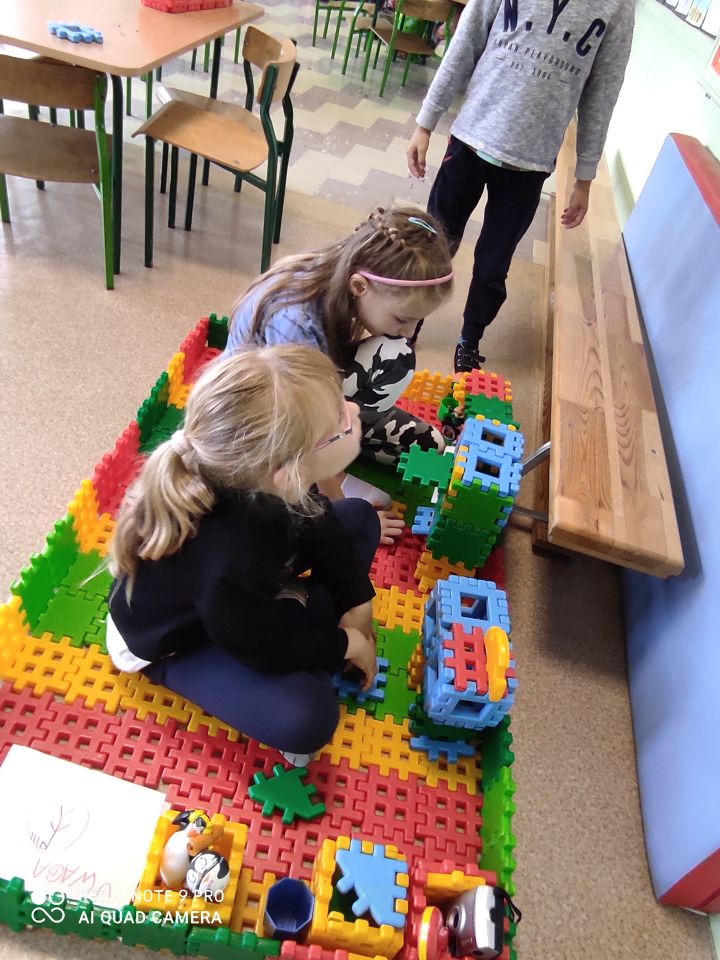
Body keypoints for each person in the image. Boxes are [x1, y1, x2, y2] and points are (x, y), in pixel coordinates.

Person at [107, 346, 380, 767]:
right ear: (286, 473)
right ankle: (299, 630)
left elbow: (318, 518)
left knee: (358, 519)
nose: (353, 412)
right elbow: (260, 644)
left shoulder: (264, 475)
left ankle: (300, 624)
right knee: (307, 719)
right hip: (178, 642)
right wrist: (347, 643)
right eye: (339, 422)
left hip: (239, 604)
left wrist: (358, 602)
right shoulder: (226, 557)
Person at [406, 0, 635, 373]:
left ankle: (470, 338)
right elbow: (466, 42)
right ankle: (408, 320)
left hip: (530, 164)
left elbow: (603, 92)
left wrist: (584, 177)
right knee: (435, 244)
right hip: (470, 140)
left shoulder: (618, 7)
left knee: (493, 263)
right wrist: (425, 123)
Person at [222, 207, 454, 536]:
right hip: (258, 419)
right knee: (286, 510)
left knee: (431, 445)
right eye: (402, 319)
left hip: (310, 389)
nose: (409, 332)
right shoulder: (296, 323)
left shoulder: (341, 278)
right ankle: (328, 479)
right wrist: (342, 511)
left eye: (418, 321)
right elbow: (305, 429)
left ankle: (340, 451)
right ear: (360, 286)